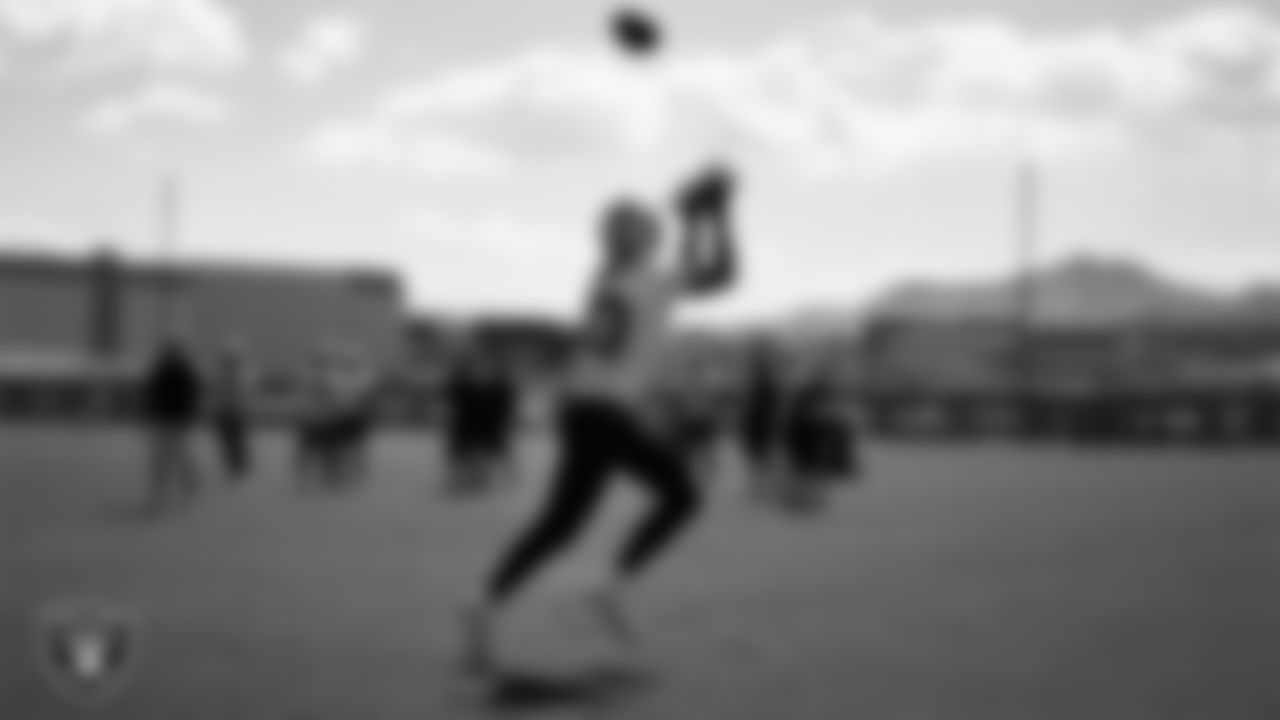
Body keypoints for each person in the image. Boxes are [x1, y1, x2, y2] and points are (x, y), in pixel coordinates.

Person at [462, 163, 741, 673]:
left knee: (561, 525)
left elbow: (678, 270)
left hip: (581, 410)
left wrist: (694, 220)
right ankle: (608, 588)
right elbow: (723, 275)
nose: (652, 233)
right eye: (643, 227)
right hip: (606, 411)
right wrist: (718, 215)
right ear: (639, 238)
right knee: (684, 494)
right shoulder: (649, 278)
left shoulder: (606, 275)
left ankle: (485, 604)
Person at [140, 336, 203, 513]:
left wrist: (153, 412)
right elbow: (153, 395)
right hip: (170, 420)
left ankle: (184, 486)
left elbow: (153, 395)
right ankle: (170, 491)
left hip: (173, 421)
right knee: (169, 458)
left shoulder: (173, 372)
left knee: (172, 457)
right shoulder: (175, 372)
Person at [210, 337, 254, 482]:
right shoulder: (226, 374)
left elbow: (241, 395)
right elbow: (219, 395)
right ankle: (235, 467)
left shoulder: (238, 374)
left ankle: (238, 468)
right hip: (229, 413)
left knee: (235, 442)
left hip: (234, 413)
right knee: (231, 442)